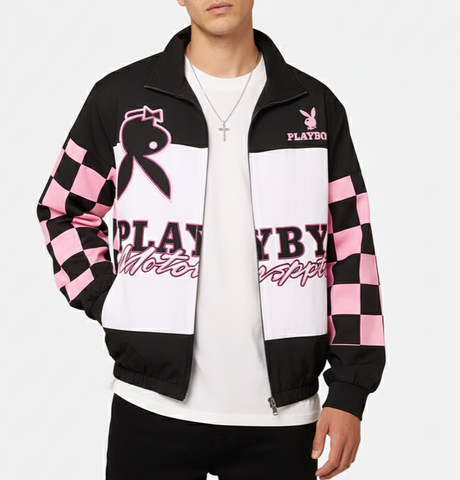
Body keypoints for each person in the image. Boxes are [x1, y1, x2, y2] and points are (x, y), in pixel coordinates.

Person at [37, 1, 385, 479]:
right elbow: (64, 209)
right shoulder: (119, 98)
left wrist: (349, 389)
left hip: (283, 420)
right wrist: (111, 300)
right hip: (151, 408)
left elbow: (351, 248)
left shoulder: (315, 107)